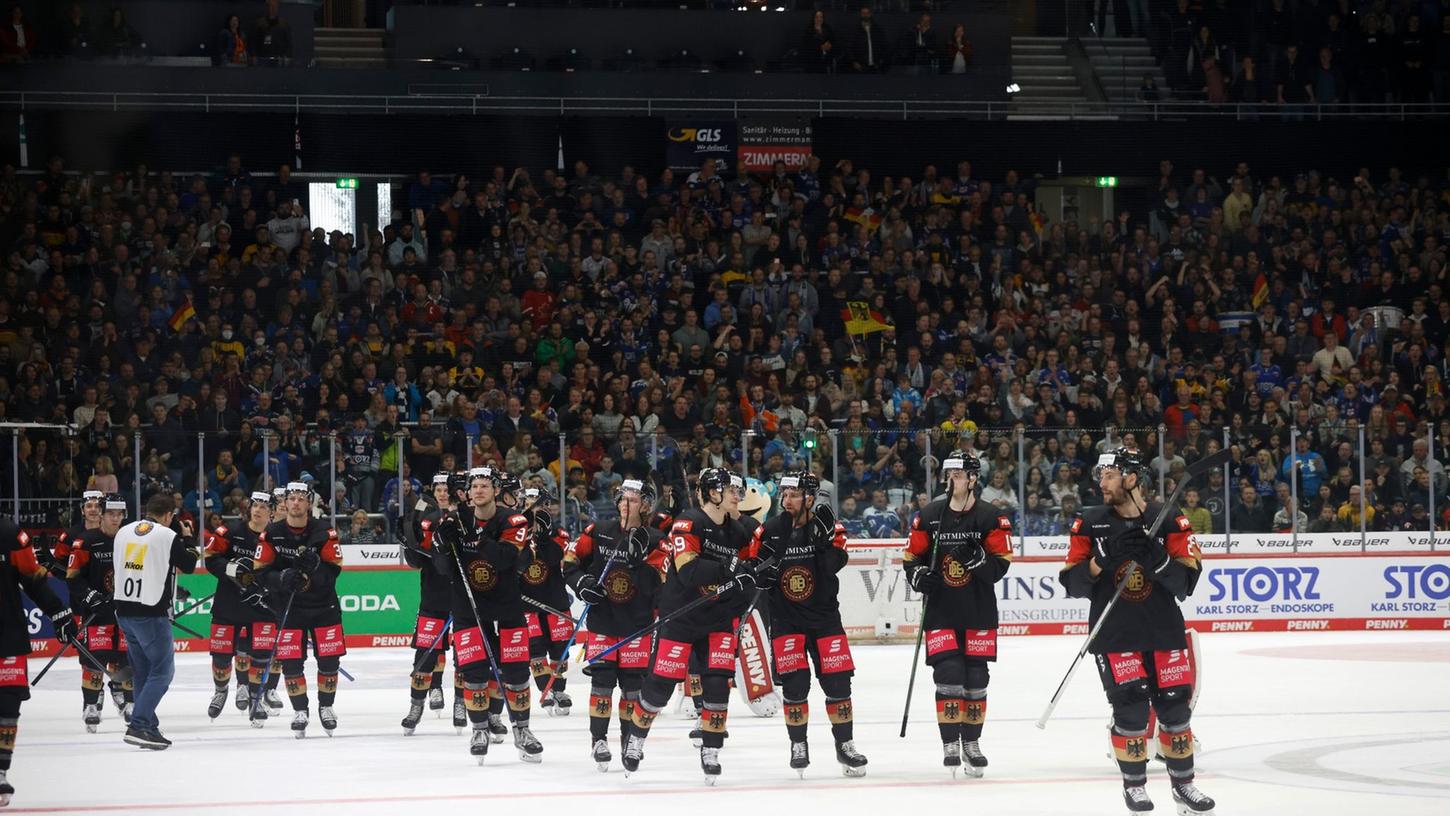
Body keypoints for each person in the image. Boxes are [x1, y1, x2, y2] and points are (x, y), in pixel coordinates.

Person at [1060, 448, 1215, 814]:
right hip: (1115, 633)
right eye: (1101, 475)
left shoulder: (1170, 520)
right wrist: (1102, 560)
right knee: (1130, 711)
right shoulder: (1090, 522)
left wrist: (1157, 559)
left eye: (1110, 475)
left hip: (1162, 629)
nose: (1102, 482)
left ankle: (1184, 786)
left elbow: (1186, 583)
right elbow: (1072, 584)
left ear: (1131, 479)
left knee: (1176, 709)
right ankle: (1134, 786)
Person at [620, 467, 757, 783]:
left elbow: (747, 579)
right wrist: (729, 568)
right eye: (729, 489)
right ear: (712, 493)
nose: (737, 494)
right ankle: (635, 740)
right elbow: (688, 571)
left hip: (718, 620)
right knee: (659, 688)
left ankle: (711, 750)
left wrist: (744, 583)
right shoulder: (688, 523)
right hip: (682, 616)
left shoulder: (738, 532)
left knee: (717, 686)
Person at [743, 471, 868, 777]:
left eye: (794, 495)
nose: (786, 501)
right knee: (796, 686)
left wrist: (824, 544)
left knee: (838, 684)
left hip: (825, 621)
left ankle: (845, 745)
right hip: (787, 622)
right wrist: (760, 574)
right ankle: (798, 745)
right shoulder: (769, 530)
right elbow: (750, 567)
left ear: (810, 498)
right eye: (784, 495)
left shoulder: (830, 527)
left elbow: (832, 568)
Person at [901, 451, 1013, 777]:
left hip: (978, 611)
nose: (952, 479)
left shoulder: (991, 516)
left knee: (976, 678)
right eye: (948, 474)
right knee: (949, 673)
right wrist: (919, 576)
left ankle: (972, 742)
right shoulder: (930, 514)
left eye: (958, 474)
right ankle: (950, 742)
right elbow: (912, 559)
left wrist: (977, 559)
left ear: (973, 478)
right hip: (941, 610)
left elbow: (998, 568)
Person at [430, 467, 543, 763]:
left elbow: (506, 559)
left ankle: (522, 730)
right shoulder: (454, 520)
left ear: (495, 490)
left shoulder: (513, 520)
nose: (478, 490)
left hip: (507, 608)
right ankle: (479, 729)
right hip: (469, 608)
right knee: (475, 674)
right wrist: (443, 543)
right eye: (474, 486)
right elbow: (442, 567)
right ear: (467, 492)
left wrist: (477, 537)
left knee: (517, 673)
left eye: (484, 486)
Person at [563, 478, 666, 771]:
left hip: (638, 624)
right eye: (622, 498)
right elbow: (570, 563)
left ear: (645, 504)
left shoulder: (657, 539)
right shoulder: (599, 532)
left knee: (633, 688)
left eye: (632, 500)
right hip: (603, 621)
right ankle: (598, 740)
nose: (625, 504)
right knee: (602, 683)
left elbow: (662, 583)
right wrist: (582, 584)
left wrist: (640, 564)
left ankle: (627, 739)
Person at [253, 481, 344, 737]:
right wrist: (281, 578)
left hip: (324, 607)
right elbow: (260, 572)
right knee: (292, 664)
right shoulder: (271, 533)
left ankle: (326, 707)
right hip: (290, 609)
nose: (295, 503)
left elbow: (334, 570)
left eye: (301, 498)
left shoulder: (325, 531)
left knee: (329, 662)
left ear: (309, 502)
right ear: (285, 502)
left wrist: (315, 568)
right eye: (292, 498)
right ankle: (300, 711)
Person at [113, 493, 201, 749]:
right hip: (150, 612)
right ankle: (139, 724)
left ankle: (148, 727)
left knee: (143, 672)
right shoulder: (167, 536)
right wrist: (188, 538)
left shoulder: (124, 532)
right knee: (163, 672)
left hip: (124, 611)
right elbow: (188, 565)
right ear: (169, 515)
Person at [1, 515, 77, 805]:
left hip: (6, 635)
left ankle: (0, 771)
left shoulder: (8, 533)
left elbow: (32, 578)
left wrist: (58, 611)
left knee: (8, 703)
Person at [400, 473, 464, 735]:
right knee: (425, 653)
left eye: (446, 488)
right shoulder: (425, 516)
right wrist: (410, 544)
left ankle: (461, 703)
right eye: (437, 488)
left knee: (465, 656)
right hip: (433, 595)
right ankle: (417, 705)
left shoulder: (466, 516)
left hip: (462, 597)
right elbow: (416, 562)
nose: (442, 492)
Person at [201, 491, 275, 721]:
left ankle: (256, 698)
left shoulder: (276, 537)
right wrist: (232, 569)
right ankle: (221, 691)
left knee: (261, 657)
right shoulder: (230, 532)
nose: (258, 509)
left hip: (262, 606)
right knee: (221, 656)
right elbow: (211, 557)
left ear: (272, 512)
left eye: (264, 506)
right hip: (228, 605)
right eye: (255, 504)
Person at [65, 494, 134, 732]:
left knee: (126, 658)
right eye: (111, 513)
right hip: (97, 613)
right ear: (102, 514)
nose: (116, 518)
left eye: (119, 514)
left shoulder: (131, 541)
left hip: (125, 612)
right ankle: (91, 705)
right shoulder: (85, 542)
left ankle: (130, 702)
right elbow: (73, 578)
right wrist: (90, 597)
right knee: (95, 659)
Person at [517, 487, 574, 716]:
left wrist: (544, 537)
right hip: (527, 600)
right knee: (536, 647)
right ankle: (546, 689)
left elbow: (555, 558)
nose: (536, 507)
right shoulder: (515, 532)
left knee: (560, 648)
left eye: (540, 503)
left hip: (554, 599)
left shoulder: (558, 532)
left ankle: (559, 689)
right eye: (530, 502)